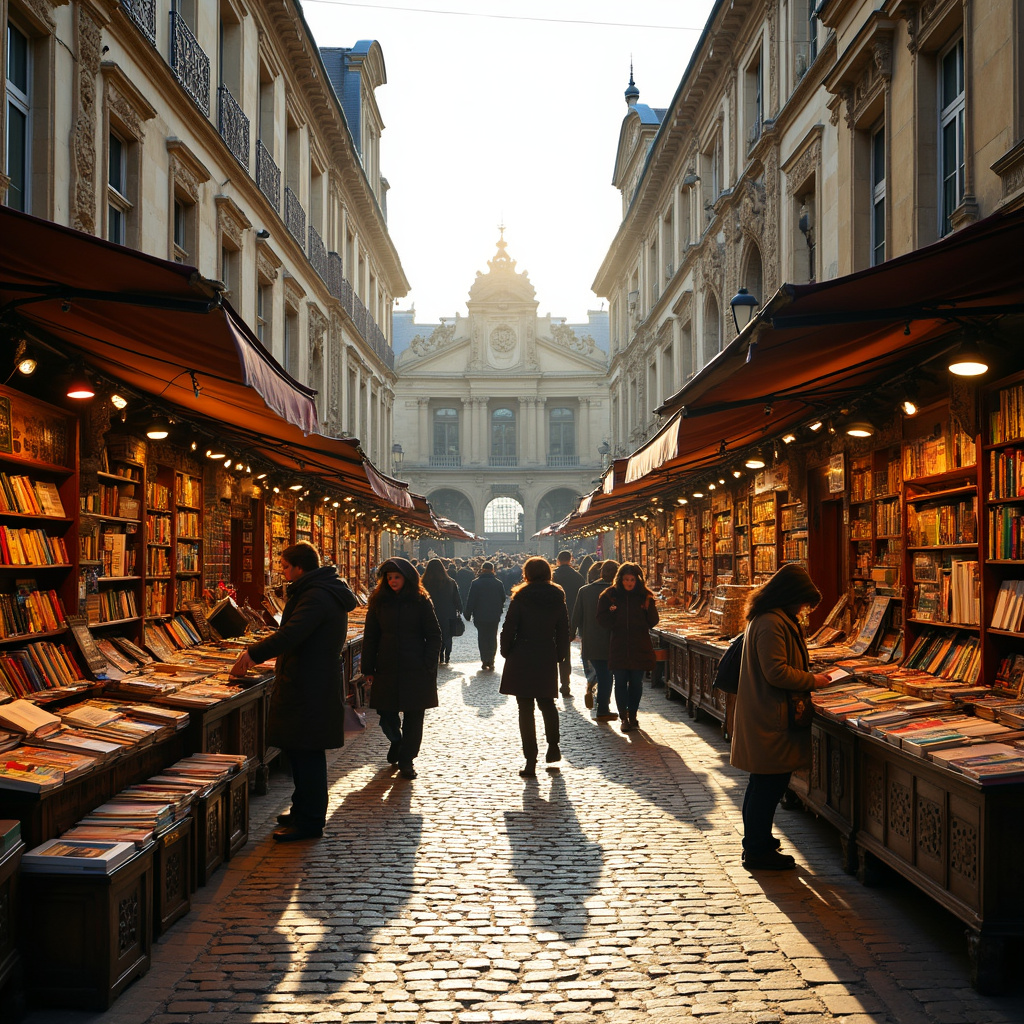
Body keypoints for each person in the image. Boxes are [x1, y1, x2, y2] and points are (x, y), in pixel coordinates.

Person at [230, 542, 357, 842]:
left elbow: (292, 633)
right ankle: (302, 809)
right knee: (300, 752)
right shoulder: (320, 589)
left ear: (300, 568)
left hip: (310, 684)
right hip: (309, 680)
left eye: (286, 567)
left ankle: (310, 821)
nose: (283, 573)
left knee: (308, 753)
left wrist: (252, 654)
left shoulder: (316, 595)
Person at [730, 563, 831, 870]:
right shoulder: (772, 623)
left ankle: (758, 841)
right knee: (767, 784)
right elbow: (776, 672)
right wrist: (813, 680)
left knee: (763, 783)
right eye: (803, 601)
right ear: (790, 596)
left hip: (768, 713)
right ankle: (758, 849)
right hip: (770, 717)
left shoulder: (771, 618)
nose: (804, 609)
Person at [362, 556, 442, 780]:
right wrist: (368, 667)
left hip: (416, 667)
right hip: (386, 665)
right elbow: (371, 637)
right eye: (389, 578)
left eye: (397, 577)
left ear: (407, 578)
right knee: (386, 711)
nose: (393, 581)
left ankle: (407, 759)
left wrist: (428, 663)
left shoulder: (421, 600)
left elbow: (434, 635)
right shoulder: (379, 601)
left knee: (414, 716)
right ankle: (396, 741)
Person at [499, 556, 570, 778]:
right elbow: (563, 629)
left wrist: (505, 650)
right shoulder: (558, 596)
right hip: (546, 652)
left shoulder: (520, 597)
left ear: (526, 573)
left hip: (523, 653)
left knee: (525, 709)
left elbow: (509, 626)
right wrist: (560, 655)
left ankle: (530, 759)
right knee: (548, 703)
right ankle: (554, 745)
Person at [596, 562, 659, 733]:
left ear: (637, 580)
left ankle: (633, 715)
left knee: (637, 683)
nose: (629, 583)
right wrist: (613, 615)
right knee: (621, 682)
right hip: (619, 645)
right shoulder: (610, 595)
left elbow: (653, 621)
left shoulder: (644, 596)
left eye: (632, 579)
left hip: (639, 645)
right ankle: (623, 717)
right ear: (620, 579)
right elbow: (601, 618)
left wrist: (648, 608)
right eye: (626, 579)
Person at [571, 559, 619, 721]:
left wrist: (570, 634)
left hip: (590, 640)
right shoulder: (616, 592)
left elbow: (576, 616)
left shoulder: (585, 591)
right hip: (612, 641)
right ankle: (603, 708)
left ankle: (595, 688)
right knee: (607, 675)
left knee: (601, 672)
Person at [551, 550, 584, 697]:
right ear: (571, 560)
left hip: (551, 618)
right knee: (566, 652)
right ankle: (565, 683)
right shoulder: (578, 577)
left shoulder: (552, 575)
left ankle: (550, 683)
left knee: (550, 650)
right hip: (569, 617)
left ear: (558, 560)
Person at [464, 560, 507, 670]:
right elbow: (503, 598)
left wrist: (467, 613)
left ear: (482, 570)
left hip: (480, 615)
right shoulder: (498, 583)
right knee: (492, 637)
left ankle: (484, 659)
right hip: (494, 615)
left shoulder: (475, 583)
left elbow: (471, 600)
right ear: (493, 570)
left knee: (482, 637)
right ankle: (491, 660)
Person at [421, 556, 463, 664]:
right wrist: (460, 609)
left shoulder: (423, 582)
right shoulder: (450, 582)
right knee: (447, 635)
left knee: (432, 634)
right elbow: (456, 598)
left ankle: (437, 654)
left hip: (429, 613)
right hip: (448, 612)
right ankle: (447, 655)